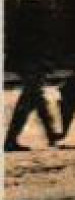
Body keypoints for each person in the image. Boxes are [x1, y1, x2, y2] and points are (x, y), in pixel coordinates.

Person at [6, 8, 60, 152]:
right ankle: (10, 140)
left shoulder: (22, 24)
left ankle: (51, 135)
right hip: (31, 67)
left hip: (30, 67)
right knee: (30, 101)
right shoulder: (30, 28)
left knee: (35, 100)